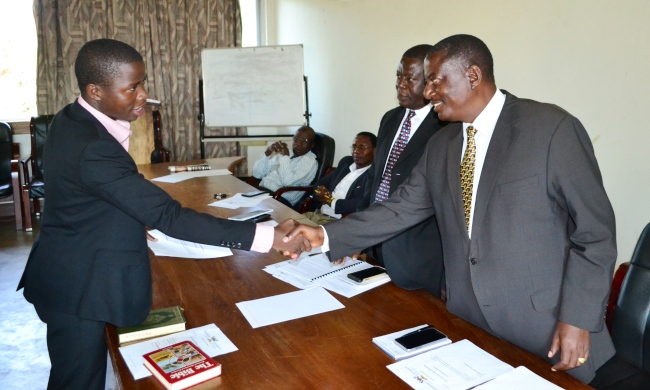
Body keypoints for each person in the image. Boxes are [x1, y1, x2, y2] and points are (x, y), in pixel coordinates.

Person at [284, 34, 616, 384]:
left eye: (435, 81)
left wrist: (578, 319)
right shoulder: (442, 145)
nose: (428, 93)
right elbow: (398, 210)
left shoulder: (550, 130)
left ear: (472, 75)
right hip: (471, 328)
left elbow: (595, 235)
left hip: (548, 330)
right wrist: (323, 234)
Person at [16, 39, 302, 390]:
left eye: (142, 83)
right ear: (95, 91)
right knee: (77, 381)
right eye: (132, 87)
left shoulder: (71, 117)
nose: (143, 95)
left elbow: (87, 194)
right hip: (78, 287)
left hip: (67, 266)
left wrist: (132, 218)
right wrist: (269, 237)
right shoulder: (93, 147)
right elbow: (170, 216)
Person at [358, 44, 447, 297]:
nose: (400, 84)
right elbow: (375, 180)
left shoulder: (445, 128)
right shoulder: (390, 118)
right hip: (375, 248)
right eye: (398, 76)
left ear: (431, 82)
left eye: (410, 78)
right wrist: (359, 235)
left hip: (416, 258)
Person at [304, 132, 376, 225]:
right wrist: (320, 193)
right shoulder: (346, 162)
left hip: (335, 222)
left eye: (362, 147)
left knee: (294, 236)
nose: (356, 151)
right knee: (284, 225)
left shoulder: (374, 174)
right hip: (316, 214)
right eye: (354, 147)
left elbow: (363, 202)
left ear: (375, 151)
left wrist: (331, 202)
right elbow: (320, 182)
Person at [251, 126, 317, 206]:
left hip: (280, 198)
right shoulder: (289, 153)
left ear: (312, 145)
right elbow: (257, 174)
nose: (298, 143)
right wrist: (268, 151)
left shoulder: (309, 161)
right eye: (296, 139)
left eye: (305, 141)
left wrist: (285, 156)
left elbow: (287, 182)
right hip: (264, 192)